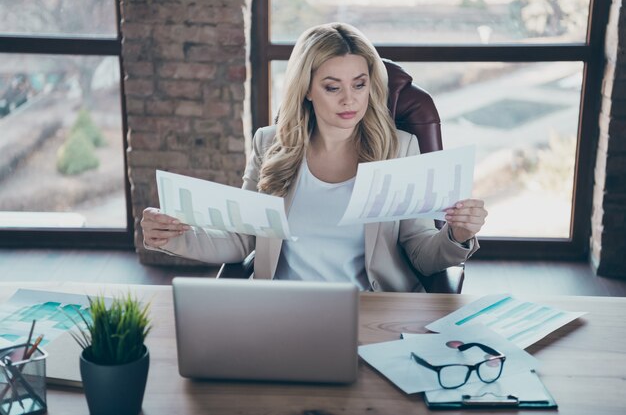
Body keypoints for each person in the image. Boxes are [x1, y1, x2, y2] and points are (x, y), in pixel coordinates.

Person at [142, 22, 487, 292]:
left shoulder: (399, 149)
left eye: (359, 84)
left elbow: (419, 252)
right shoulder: (269, 144)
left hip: (370, 309)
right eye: (332, 87)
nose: (349, 100)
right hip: (284, 308)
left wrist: (456, 235)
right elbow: (242, 238)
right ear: (307, 89)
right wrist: (172, 237)